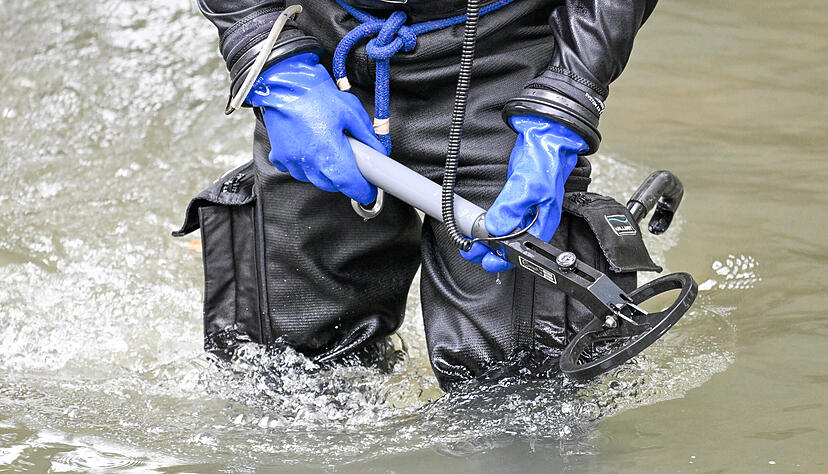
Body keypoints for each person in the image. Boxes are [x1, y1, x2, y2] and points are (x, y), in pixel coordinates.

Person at [192, 0, 660, 391]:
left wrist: (565, 103)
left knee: (521, 391)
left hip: (509, 52)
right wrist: (273, 63)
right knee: (285, 370)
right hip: (320, 48)